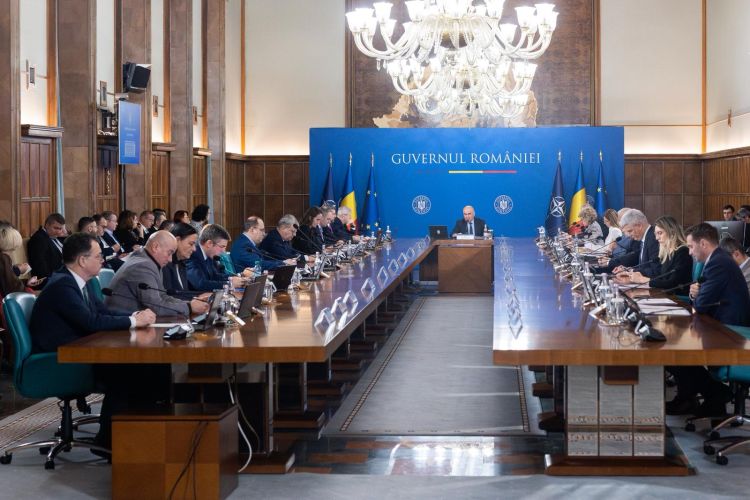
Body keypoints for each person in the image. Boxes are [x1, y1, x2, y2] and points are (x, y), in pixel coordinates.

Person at [28, 233, 160, 454]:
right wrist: (133, 322)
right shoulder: (62, 285)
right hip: (57, 359)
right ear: (82, 260)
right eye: (98, 256)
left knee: (146, 369)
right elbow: (91, 322)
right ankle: (108, 442)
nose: (103, 260)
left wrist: (134, 316)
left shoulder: (84, 282)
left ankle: (138, 438)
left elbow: (102, 312)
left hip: (79, 349)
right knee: (128, 372)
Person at [666, 223, 750, 416]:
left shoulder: (717, 262)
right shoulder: (717, 259)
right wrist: (695, 294)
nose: (689, 252)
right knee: (676, 347)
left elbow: (702, 305)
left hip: (730, 331)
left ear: (703, 243)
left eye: (691, 246)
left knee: (676, 352)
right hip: (722, 324)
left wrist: (696, 295)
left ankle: (714, 394)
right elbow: (701, 299)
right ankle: (700, 397)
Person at [106, 230, 209, 317]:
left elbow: (163, 296)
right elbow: (156, 306)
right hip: (120, 328)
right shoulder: (143, 266)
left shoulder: (148, 260)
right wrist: (189, 307)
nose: (170, 259)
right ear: (155, 247)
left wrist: (190, 304)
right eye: (169, 253)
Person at [614, 215, 692, 295]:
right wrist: (632, 277)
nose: (657, 238)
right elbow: (661, 277)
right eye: (656, 234)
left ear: (671, 232)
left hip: (678, 298)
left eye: (660, 233)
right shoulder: (666, 253)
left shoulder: (683, 252)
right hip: (666, 294)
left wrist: (642, 280)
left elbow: (671, 283)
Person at [186, 224, 246, 291]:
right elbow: (200, 284)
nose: (223, 251)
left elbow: (214, 276)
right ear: (209, 243)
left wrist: (237, 278)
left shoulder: (209, 254)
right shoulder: (192, 255)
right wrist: (229, 284)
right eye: (222, 247)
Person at [605, 209, 660, 277]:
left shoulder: (653, 239)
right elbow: (644, 267)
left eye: (630, 231)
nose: (628, 236)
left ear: (639, 226)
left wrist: (631, 271)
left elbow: (656, 271)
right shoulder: (645, 237)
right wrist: (628, 270)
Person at [232, 216, 297, 272]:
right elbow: (259, 265)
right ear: (252, 230)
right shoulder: (244, 245)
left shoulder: (245, 242)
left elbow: (261, 261)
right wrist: (283, 263)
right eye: (262, 230)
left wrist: (282, 262)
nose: (264, 233)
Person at [163, 223, 203, 300]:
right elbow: (169, 297)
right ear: (177, 240)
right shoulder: (164, 264)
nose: (194, 249)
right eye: (191, 244)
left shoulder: (182, 263)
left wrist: (203, 296)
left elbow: (184, 293)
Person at [1, 223, 41, 295]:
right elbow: (13, 289)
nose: (11, 253)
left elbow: (8, 283)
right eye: (12, 250)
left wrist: (26, 282)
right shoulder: (3, 258)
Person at [27, 212, 67, 284]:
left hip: (62, 275)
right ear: (47, 225)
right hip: (51, 280)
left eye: (61, 229)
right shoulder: (39, 239)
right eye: (56, 228)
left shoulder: (55, 237)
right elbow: (40, 267)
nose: (59, 232)